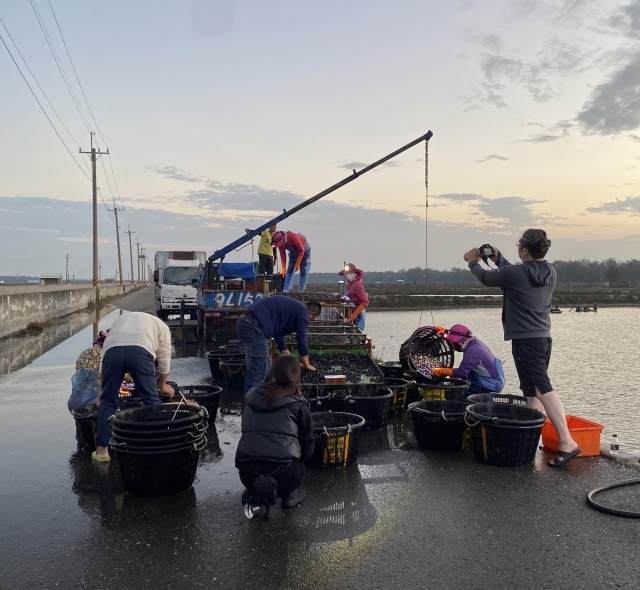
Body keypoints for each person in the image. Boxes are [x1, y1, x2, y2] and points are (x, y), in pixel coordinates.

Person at [465, 228, 581, 467]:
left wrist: (473, 261)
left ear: (525, 250)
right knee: (531, 392)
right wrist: (500, 261)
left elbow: (489, 279)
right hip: (542, 339)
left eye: (520, 246)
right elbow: (518, 275)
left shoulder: (515, 273)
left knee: (542, 389)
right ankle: (531, 440)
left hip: (526, 342)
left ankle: (567, 441)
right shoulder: (550, 272)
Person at [235, 354, 315, 511]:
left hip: (248, 474)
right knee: (299, 461)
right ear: (297, 376)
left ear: (272, 374)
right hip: (286, 476)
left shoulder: (251, 398)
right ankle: (289, 494)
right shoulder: (298, 404)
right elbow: (307, 444)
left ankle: (254, 491)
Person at [93, 312, 173, 463]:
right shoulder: (161, 326)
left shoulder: (120, 321)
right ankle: (157, 447)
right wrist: (162, 385)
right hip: (140, 353)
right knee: (150, 400)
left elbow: (105, 355)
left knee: (108, 402)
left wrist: (102, 389)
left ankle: (103, 451)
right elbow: (164, 357)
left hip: (112, 353)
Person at [236, 296, 319, 394]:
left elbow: (278, 334)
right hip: (254, 326)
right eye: (312, 319)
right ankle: (250, 406)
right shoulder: (303, 311)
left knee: (266, 368)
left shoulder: (295, 308)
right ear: (311, 313)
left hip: (248, 322)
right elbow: (301, 338)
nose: (310, 322)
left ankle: (261, 401)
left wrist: (289, 357)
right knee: (258, 371)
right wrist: (306, 364)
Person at [431, 325, 505, 394]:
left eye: (454, 343)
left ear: (461, 341)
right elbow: (456, 334)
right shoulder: (474, 341)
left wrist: (441, 371)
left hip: (492, 384)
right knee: (458, 376)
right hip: (493, 376)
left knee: (463, 393)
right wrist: (446, 332)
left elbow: (461, 372)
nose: (453, 345)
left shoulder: (472, 351)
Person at [338, 263, 369, 331]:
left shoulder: (358, 284)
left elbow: (365, 302)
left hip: (357, 313)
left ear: (355, 273)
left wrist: (354, 315)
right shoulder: (349, 284)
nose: (348, 275)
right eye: (347, 273)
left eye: (350, 273)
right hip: (350, 312)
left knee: (357, 331)